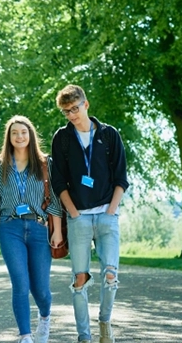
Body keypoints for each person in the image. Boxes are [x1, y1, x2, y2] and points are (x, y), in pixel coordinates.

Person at [50, 85, 129, 343]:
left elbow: (121, 178)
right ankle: (84, 337)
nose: (72, 115)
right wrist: (73, 213)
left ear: (86, 104)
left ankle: (104, 323)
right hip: (79, 218)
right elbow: (58, 182)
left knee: (110, 276)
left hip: (107, 215)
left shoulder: (109, 135)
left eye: (75, 108)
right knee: (79, 280)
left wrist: (111, 210)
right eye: (66, 111)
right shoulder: (61, 138)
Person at [0, 115, 63, 343]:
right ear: (9, 138)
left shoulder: (45, 164)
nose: (19, 136)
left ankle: (45, 318)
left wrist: (56, 230)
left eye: (23, 132)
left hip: (39, 228)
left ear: (30, 135)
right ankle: (25, 336)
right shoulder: (0, 168)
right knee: (20, 283)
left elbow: (55, 201)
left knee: (40, 289)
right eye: (14, 133)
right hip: (10, 228)